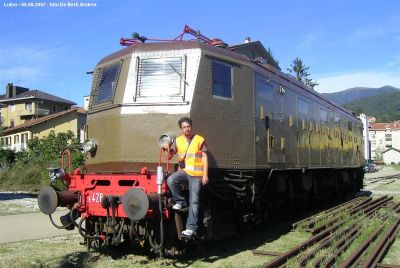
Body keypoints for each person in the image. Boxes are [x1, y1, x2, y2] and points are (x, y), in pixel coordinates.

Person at [166, 117, 209, 238]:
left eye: (188, 126)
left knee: (194, 201)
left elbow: (205, 157)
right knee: (171, 180)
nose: (187, 129)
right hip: (185, 172)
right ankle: (180, 201)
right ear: (181, 129)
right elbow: (169, 157)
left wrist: (205, 175)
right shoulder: (178, 141)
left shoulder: (199, 140)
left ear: (191, 127)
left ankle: (191, 229)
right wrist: (166, 147)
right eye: (184, 127)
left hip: (197, 175)